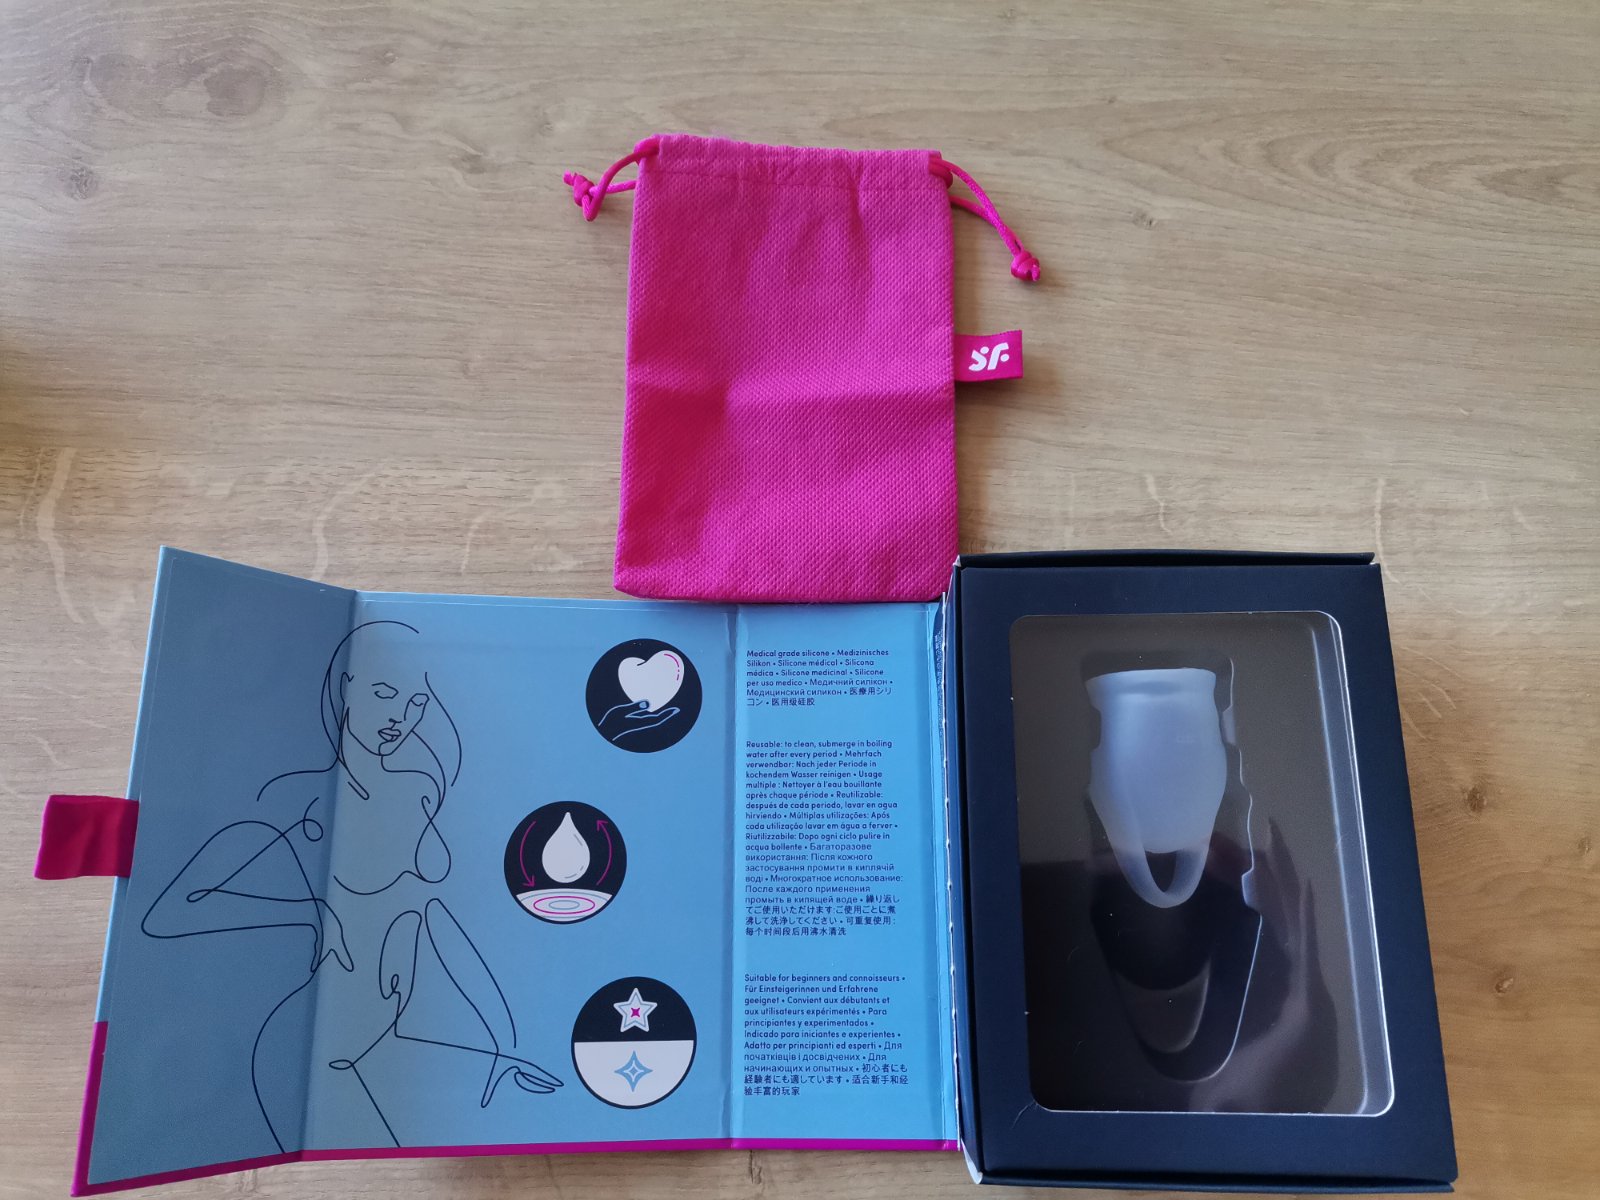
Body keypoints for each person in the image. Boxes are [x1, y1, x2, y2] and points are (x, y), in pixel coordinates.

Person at [141, 621, 560, 1151]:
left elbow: (436, 921)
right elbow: (170, 912)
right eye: (384, 693)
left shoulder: (418, 788)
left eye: (417, 704)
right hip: (313, 1050)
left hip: (388, 1041)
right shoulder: (298, 796)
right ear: (345, 686)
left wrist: (503, 1045)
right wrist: (310, 910)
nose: (401, 717)